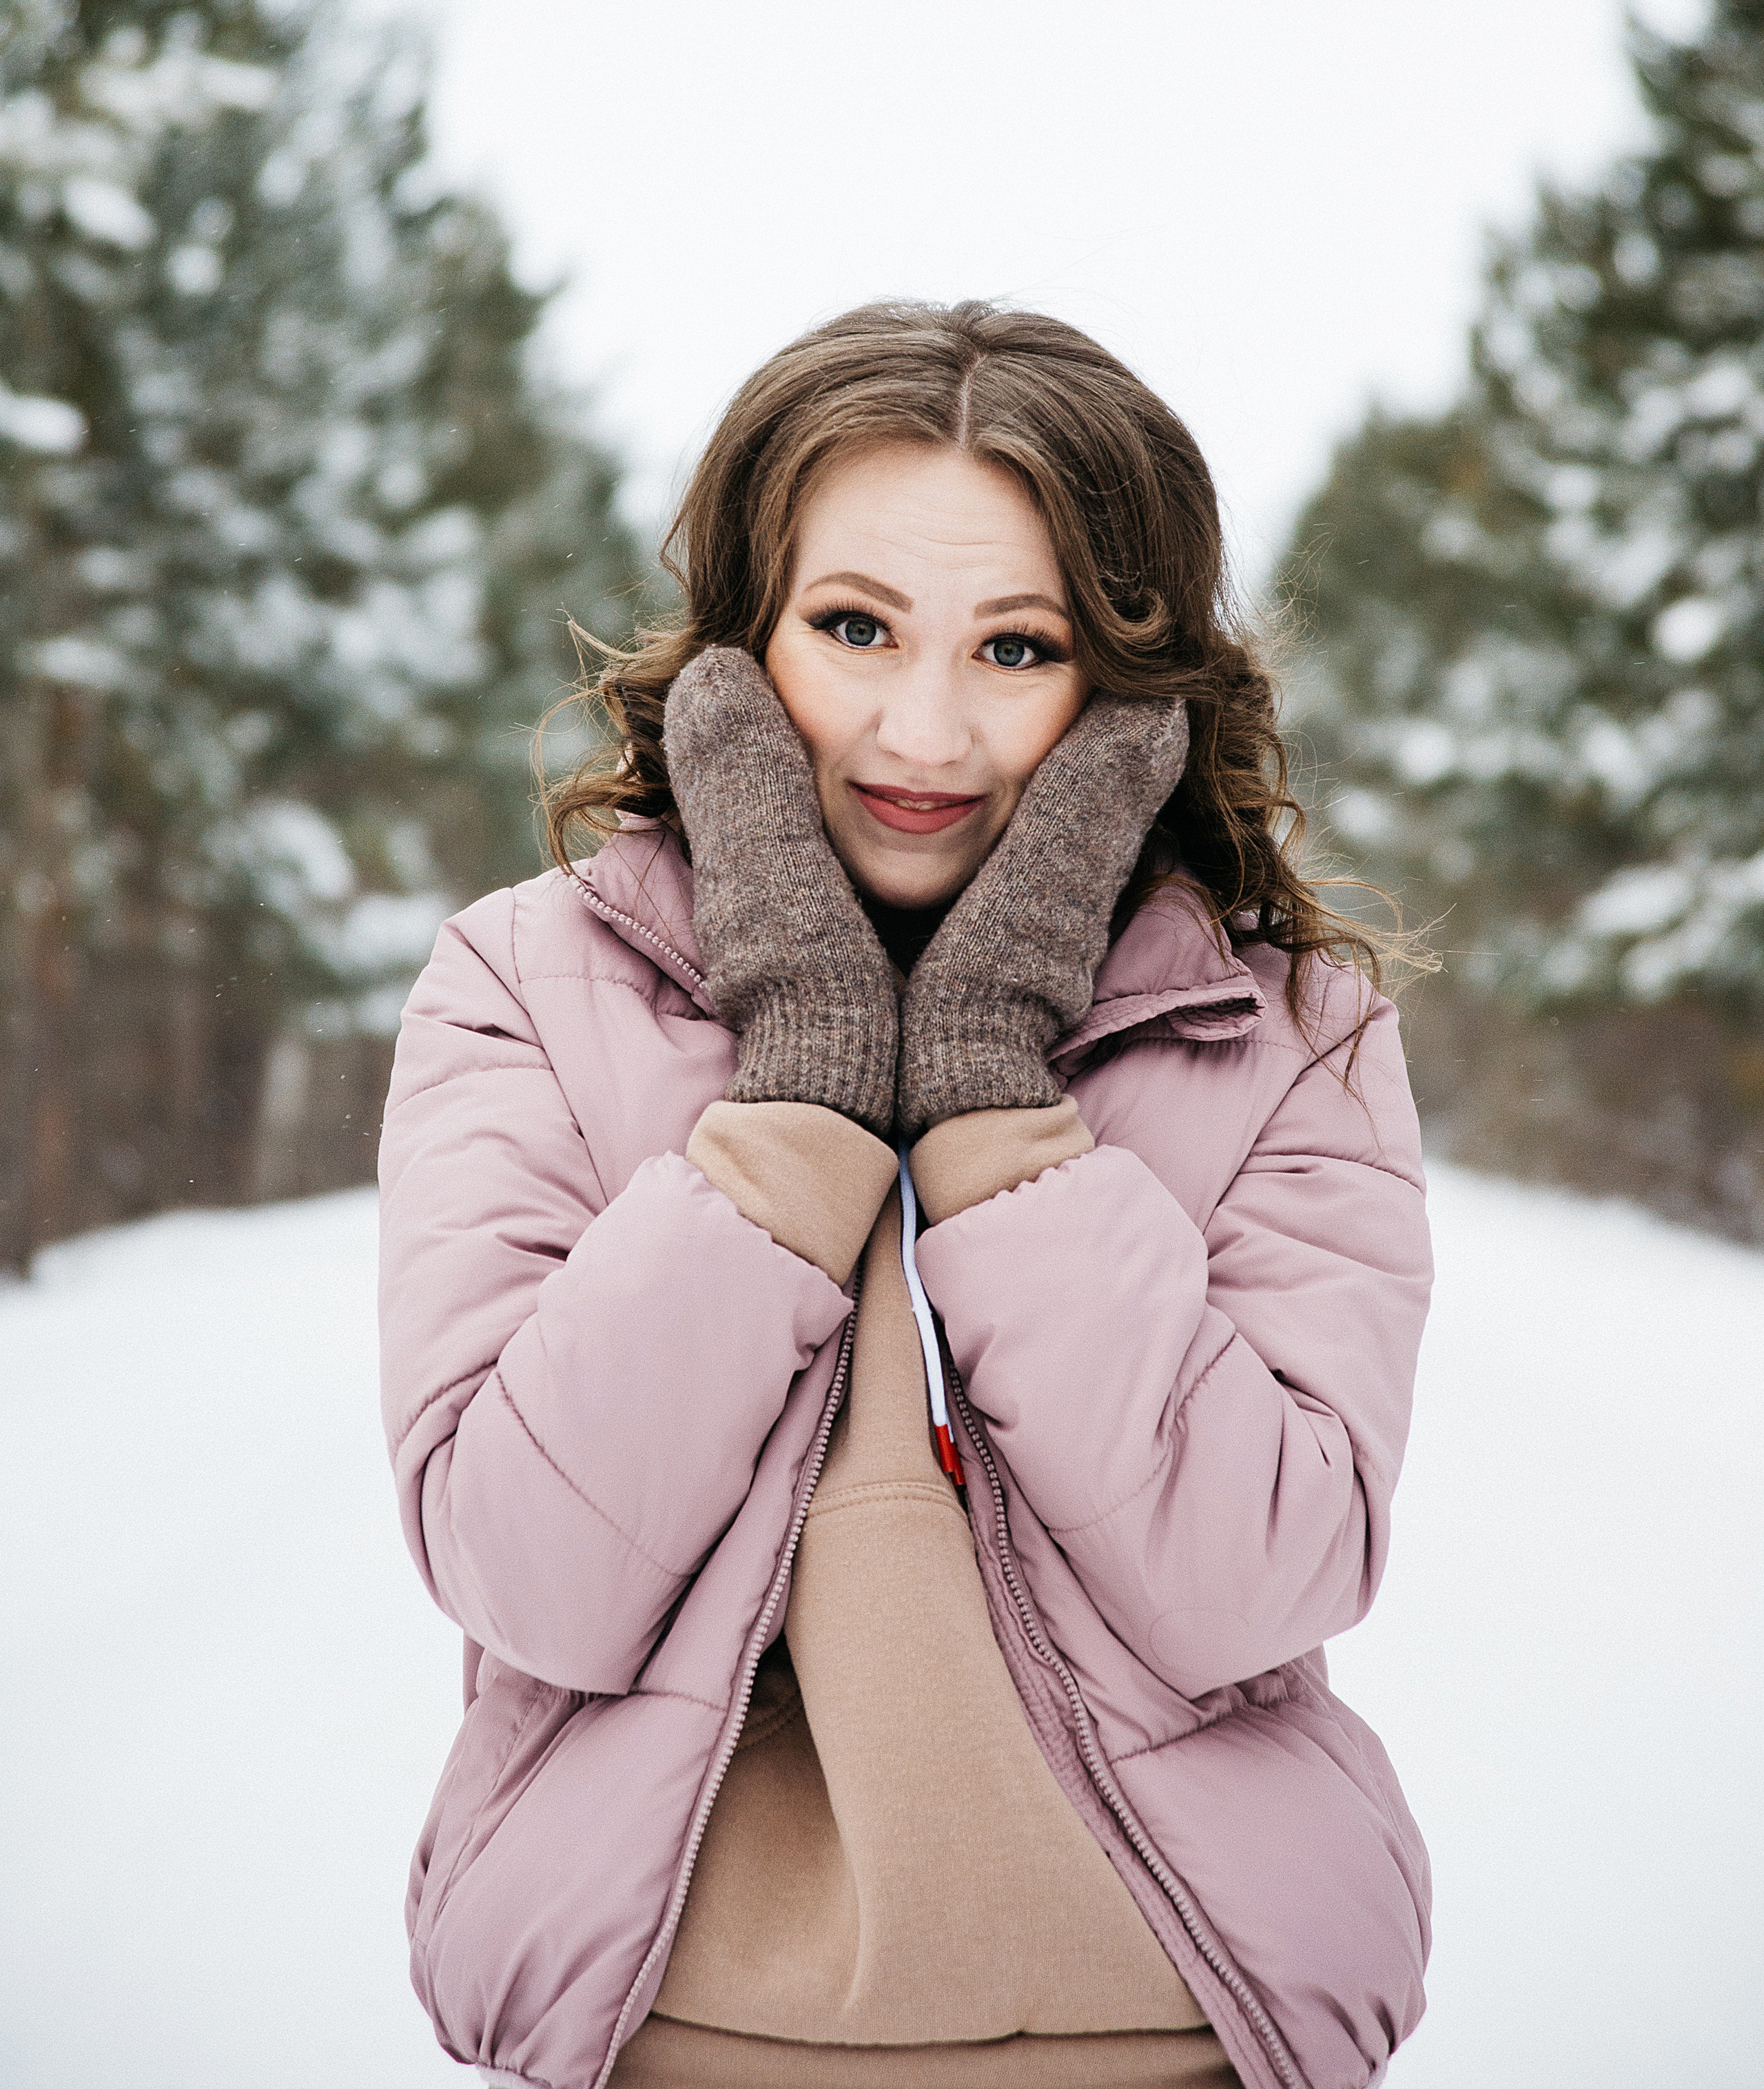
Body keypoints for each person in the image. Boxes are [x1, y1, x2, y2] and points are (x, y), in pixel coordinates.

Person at [378, 301, 1433, 2089]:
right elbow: (528, 1567)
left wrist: (1001, 1114)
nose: (924, 726)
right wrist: (795, 1095)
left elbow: (1265, 1573)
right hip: (674, 2032)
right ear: (742, 637)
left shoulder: (1293, 1030)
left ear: (1128, 685)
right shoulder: (522, 983)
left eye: (1016, 646)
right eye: (855, 625)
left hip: (1181, 2028)